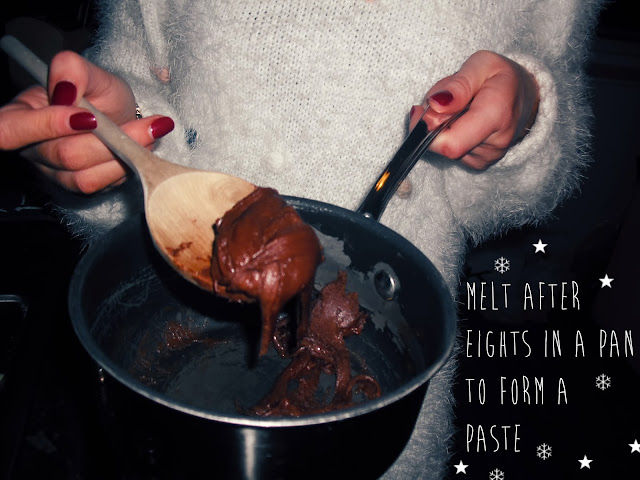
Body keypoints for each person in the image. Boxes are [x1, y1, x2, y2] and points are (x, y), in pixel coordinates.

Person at [0, 1, 604, 478]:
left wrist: (523, 116)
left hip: (385, 420)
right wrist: (115, 146)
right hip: (167, 418)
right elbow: (138, 91)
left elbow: (533, 179)